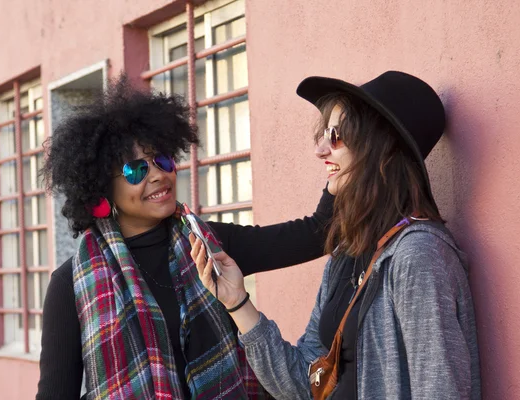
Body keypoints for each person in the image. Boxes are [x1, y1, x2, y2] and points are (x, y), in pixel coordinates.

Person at [35, 73, 335, 399]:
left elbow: (315, 233)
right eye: (136, 170)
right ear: (102, 189)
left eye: (161, 160)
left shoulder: (210, 247)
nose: (158, 175)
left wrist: (342, 157)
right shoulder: (71, 285)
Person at [190, 71, 481, 399]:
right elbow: (304, 383)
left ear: (380, 149)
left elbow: (441, 390)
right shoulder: (349, 251)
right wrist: (237, 302)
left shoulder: (418, 255)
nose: (320, 149)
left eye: (337, 136)